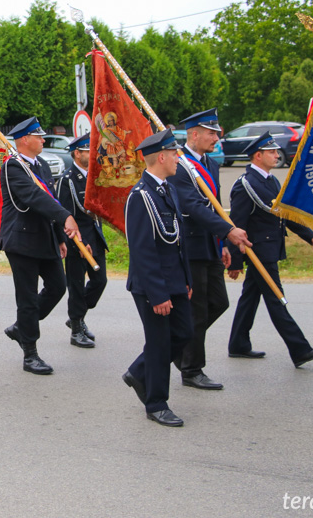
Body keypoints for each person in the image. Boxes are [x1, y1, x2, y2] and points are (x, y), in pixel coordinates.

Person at [167, 109, 251, 390]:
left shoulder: (211, 165)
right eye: (212, 133)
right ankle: (191, 368)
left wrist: (223, 243)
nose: (217, 137)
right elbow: (192, 205)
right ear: (194, 134)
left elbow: (215, 207)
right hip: (191, 247)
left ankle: (181, 345)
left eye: (217, 132)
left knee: (219, 303)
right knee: (198, 311)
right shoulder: (179, 165)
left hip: (211, 245)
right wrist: (228, 232)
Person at [226, 133, 313, 367]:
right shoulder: (246, 184)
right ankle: (300, 349)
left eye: (276, 151)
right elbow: (236, 224)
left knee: (250, 296)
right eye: (271, 152)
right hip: (258, 252)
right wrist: (236, 261)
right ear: (258, 156)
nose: (277, 155)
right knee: (276, 299)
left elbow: (283, 213)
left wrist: (308, 235)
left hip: (270, 248)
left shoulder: (270, 181)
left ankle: (238, 344)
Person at [122, 129, 193, 427]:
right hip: (152, 285)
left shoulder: (169, 189)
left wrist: (186, 279)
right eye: (174, 153)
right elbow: (142, 250)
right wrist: (158, 294)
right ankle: (156, 403)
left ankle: (140, 371)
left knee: (185, 333)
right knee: (160, 342)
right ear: (161, 157)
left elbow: (179, 241)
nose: (178, 158)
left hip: (175, 280)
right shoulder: (140, 197)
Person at [0, 117, 81, 375]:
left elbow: (52, 198)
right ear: (25, 139)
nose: (43, 140)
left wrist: (59, 236)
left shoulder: (42, 165)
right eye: (39, 136)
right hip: (22, 240)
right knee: (27, 299)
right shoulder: (13, 167)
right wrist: (66, 217)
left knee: (58, 286)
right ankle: (30, 354)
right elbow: (34, 197)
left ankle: (21, 328)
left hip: (45, 237)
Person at [56, 133, 106, 348]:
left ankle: (77, 316)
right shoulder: (67, 180)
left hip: (94, 236)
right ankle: (77, 328)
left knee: (99, 281)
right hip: (76, 239)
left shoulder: (95, 176)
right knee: (76, 284)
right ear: (77, 153)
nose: (93, 154)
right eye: (88, 151)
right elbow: (63, 214)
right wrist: (74, 240)